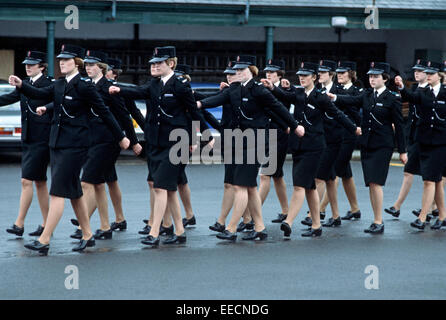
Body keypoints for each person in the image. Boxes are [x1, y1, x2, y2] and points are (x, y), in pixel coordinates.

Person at [9, 44, 130, 255]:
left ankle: (44, 240)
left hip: (75, 146)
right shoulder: (59, 84)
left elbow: (105, 112)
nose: (62, 63)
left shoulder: (85, 87)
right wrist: (21, 84)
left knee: (57, 193)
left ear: (77, 63)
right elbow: (38, 92)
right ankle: (88, 235)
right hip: (56, 144)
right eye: (60, 60)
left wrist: (122, 137)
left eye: (66, 60)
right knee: (74, 193)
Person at [109, 46, 209, 246]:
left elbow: (194, 113)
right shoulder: (153, 84)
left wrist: (203, 136)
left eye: (158, 63)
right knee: (169, 189)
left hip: (175, 143)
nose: (154, 67)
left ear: (170, 63)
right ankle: (179, 232)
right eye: (152, 63)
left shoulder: (180, 85)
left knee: (161, 187)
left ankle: (154, 232)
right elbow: (138, 91)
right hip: (156, 143)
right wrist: (120, 89)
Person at [198, 55, 303, 241]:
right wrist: (198, 103)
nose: (237, 73)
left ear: (251, 71)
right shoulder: (234, 89)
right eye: (236, 70)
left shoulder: (259, 90)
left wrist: (294, 126)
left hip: (255, 141)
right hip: (239, 141)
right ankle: (260, 228)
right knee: (251, 188)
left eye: (241, 70)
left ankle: (231, 228)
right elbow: (216, 99)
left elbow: (277, 108)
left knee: (240, 187)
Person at [263, 62, 359, 238]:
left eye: (305, 75)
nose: (302, 77)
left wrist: (354, 128)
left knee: (300, 186)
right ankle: (316, 225)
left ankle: (288, 221)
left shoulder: (321, 97)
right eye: (300, 75)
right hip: (299, 146)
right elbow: (285, 96)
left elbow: (338, 114)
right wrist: (272, 88)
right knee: (310, 188)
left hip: (315, 147)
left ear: (314, 77)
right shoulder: (299, 93)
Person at [69, 50, 141, 241]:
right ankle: (105, 226)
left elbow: (124, 116)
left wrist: (133, 141)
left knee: (87, 182)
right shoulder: (86, 87)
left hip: (108, 141)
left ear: (101, 68)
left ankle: (84, 225)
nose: (88, 68)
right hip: (91, 140)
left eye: (92, 65)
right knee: (101, 185)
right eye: (87, 65)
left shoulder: (109, 88)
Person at [328, 61, 407, 234]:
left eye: (376, 76)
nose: (372, 79)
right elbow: (352, 100)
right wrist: (334, 97)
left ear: (385, 79)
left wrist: (402, 151)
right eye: (370, 76)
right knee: (370, 183)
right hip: (367, 144)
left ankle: (379, 221)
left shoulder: (392, 98)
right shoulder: (367, 95)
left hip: (383, 146)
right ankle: (375, 219)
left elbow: (399, 127)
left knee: (376, 182)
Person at [1, 51, 53, 238]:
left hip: (42, 139)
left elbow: (50, 100)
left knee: (26, 180)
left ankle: (19, 223)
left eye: (32, 64)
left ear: (42, 66)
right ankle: (47, 224)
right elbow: (10, 98)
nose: (28, 67)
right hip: (28, 137)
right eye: (26, 64)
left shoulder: (48, 84)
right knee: (40, 182)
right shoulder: (26, 83)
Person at [395, 61, 446, 230]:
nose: (429, 76)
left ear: (440, 75)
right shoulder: (424, 92)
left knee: (429, 181)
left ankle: (423, 217)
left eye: (432, 74)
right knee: (436, 181)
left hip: (441, 143)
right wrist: (402, 87)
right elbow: (411, 98)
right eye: (428, 74)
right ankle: (443, 216)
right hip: (424, 141)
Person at [385, 59, 429, 218]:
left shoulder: (434, 91)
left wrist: (403, 87)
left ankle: (430, 209)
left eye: (421, 71)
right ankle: (397, 206)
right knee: (409, 171)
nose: (416, 73)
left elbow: (410, 98)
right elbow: (410, 108)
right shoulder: (416, 88)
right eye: (415, 71)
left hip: (430, 137)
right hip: (415, 135)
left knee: (432, 178)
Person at [105, 57, 145, 231]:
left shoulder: (118, 90)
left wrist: (135, 141)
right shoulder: (96, 86)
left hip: (114, 138)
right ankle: (119, 218)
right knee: (109, 179)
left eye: (106, 68)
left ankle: (85, 218)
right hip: (98, 138)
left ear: (114, 73)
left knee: (94, 179)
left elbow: (129, 116)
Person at [321, 61, 363, 221]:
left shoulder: (357, 91)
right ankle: (355, 208)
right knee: (345, 173)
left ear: (351, 74)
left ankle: (320, 208)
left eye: (343, 73)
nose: (339, 75)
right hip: (336, 134)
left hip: (349, 134)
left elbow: (356, 113)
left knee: (334, 171)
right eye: (338, 73)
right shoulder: (335, 90)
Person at [258, 59, 292, 226]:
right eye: (267, 71)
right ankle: (286, 211)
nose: (268, 74)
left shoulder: (286, 89)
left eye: (272, 72)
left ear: (280, 74)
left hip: (278, 135)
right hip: (266, 134)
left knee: (265, 175)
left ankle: (251, 215)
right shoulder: (262, 88)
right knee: (277, 176)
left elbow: (284, 107)